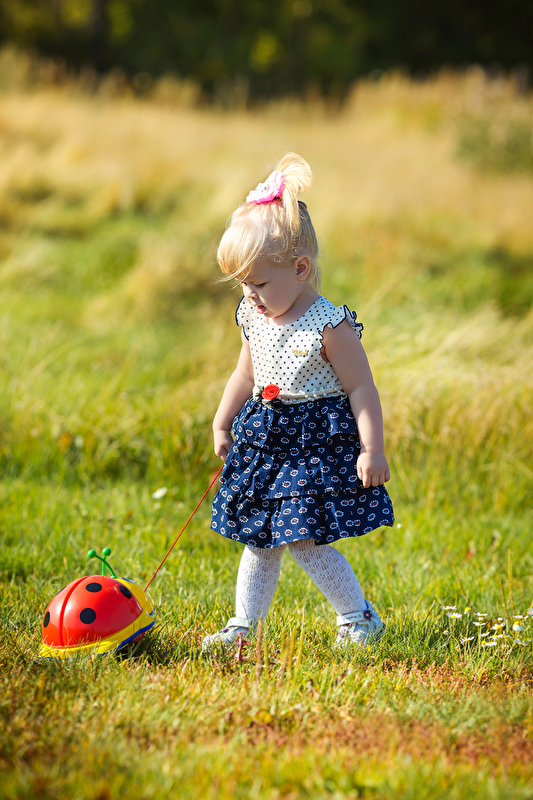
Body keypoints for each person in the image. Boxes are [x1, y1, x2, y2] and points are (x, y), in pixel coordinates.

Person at [203, 152, 393, 652]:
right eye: (243, 284)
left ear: (301, 269)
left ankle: (358, 617)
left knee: (303, 540)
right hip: (266, 441)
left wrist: (371, 449)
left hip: (312, 444)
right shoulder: (255, 317)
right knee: (259, 538)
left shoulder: (330, 325)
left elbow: (362, 388)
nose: (250, 295)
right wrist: (223, 421)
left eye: (260, 283)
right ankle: (243, 627)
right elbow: (245, 373)